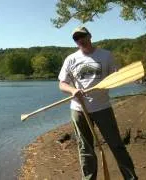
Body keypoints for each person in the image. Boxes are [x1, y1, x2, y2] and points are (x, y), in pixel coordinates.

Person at [58, 26, 138, 180]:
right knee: (85, 149)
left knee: (116, 145)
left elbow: (116, 77)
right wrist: (73, 91)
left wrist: (116, 77)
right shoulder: (71, 59)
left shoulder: (106, 55)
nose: (80, 40)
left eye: (83, 36)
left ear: (90, 36)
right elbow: (62, 84)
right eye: (76, 38)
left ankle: (131, 178)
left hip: (102, 108)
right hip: (79, 109)